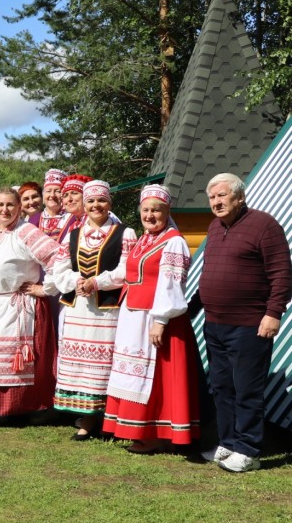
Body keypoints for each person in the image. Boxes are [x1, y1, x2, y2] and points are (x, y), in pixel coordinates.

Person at [198, 173, 292, 472]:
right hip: (214, 324)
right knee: (222, 387)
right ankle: (227, 443)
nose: (216, 202)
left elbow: (282, 274)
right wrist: (189, 310)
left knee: (246, 389)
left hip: (250, 325)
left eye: (222, 196)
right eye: (212, 197)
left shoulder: (264, 225)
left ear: (240, 197)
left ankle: (249, 450)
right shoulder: (214, 227)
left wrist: (273, 313)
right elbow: (209, 273)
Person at [104, 185, 200, 453]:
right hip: (133, 316)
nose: (150, 215)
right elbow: (127, 273)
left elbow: (172, 284)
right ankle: (135, 428)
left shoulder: (174, 242)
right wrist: (95, 282)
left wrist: (160, 320)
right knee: (133, 372)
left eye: (156, 210)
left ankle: (156, 432)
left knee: (156, 376)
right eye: (145, 210)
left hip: (158, 318)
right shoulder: (144, 239)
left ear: (167, 211)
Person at [0, 187, 61, 424]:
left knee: (18, 360)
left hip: (21, 304)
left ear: (19, 207)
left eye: (10, 205)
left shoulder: (26, 231)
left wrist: (46, 288)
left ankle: (24, 409)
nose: (4, 210)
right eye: (0, 205)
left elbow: (57, 255)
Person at [50, 180, 135, 440]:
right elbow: (59, 269)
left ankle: (109, 419)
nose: (96, 205)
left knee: (107, 364)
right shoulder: (74, 235)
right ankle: (87, 419)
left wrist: (97, 281)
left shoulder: (125, 233)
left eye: (101, 200)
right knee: (83, 367)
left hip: (107, 310)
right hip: (79, 310)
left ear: (110, 203)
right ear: (84, 205)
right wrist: (76, 282)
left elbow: (126, 269)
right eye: (90, 201)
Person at [29, 169, 71, 241]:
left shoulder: (72, 218)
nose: (52, 195)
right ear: (43, 194)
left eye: (57, 191)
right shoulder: (34, 219)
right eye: (48, 191)